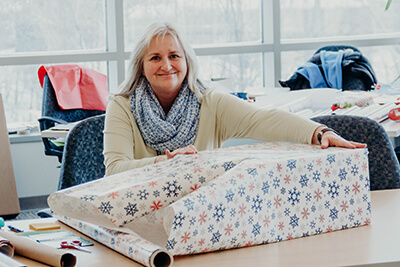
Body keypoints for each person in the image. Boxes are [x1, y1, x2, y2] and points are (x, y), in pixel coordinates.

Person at [103, 22, 366, 176]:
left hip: (199, 213)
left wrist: (320, 132)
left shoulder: (210, 102)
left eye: (174, 56)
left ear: (186, 61)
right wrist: (167, 164)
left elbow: (265, 119)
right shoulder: (122, 104)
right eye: (155, 57)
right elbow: (115, 169)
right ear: (140, 65)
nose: (167, 65)